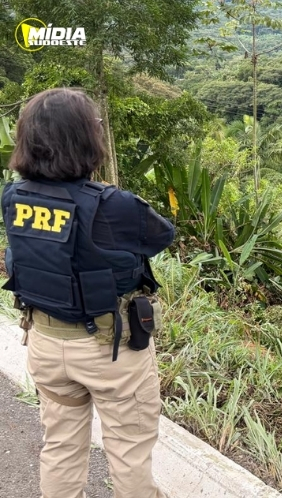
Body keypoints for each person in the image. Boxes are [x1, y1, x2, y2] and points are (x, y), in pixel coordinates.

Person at [1, 87, 174, 498]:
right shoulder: (114, 204)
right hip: (107, 351)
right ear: (86, 139)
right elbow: (163, 235)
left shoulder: (14, 196)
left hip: (44, 343)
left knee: (60, 446)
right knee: (128, 453)